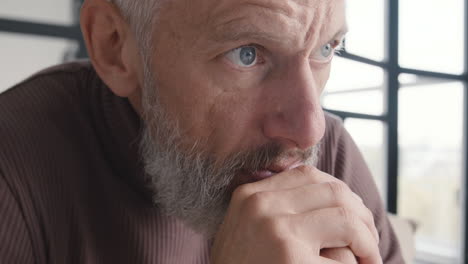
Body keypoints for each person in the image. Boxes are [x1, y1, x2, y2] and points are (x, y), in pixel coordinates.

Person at [0, 0, 404, 263]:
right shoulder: (14, 173)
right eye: (246, 54)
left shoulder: (332, 157)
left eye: (324, 50)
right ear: (115, 46)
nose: (310, 130)